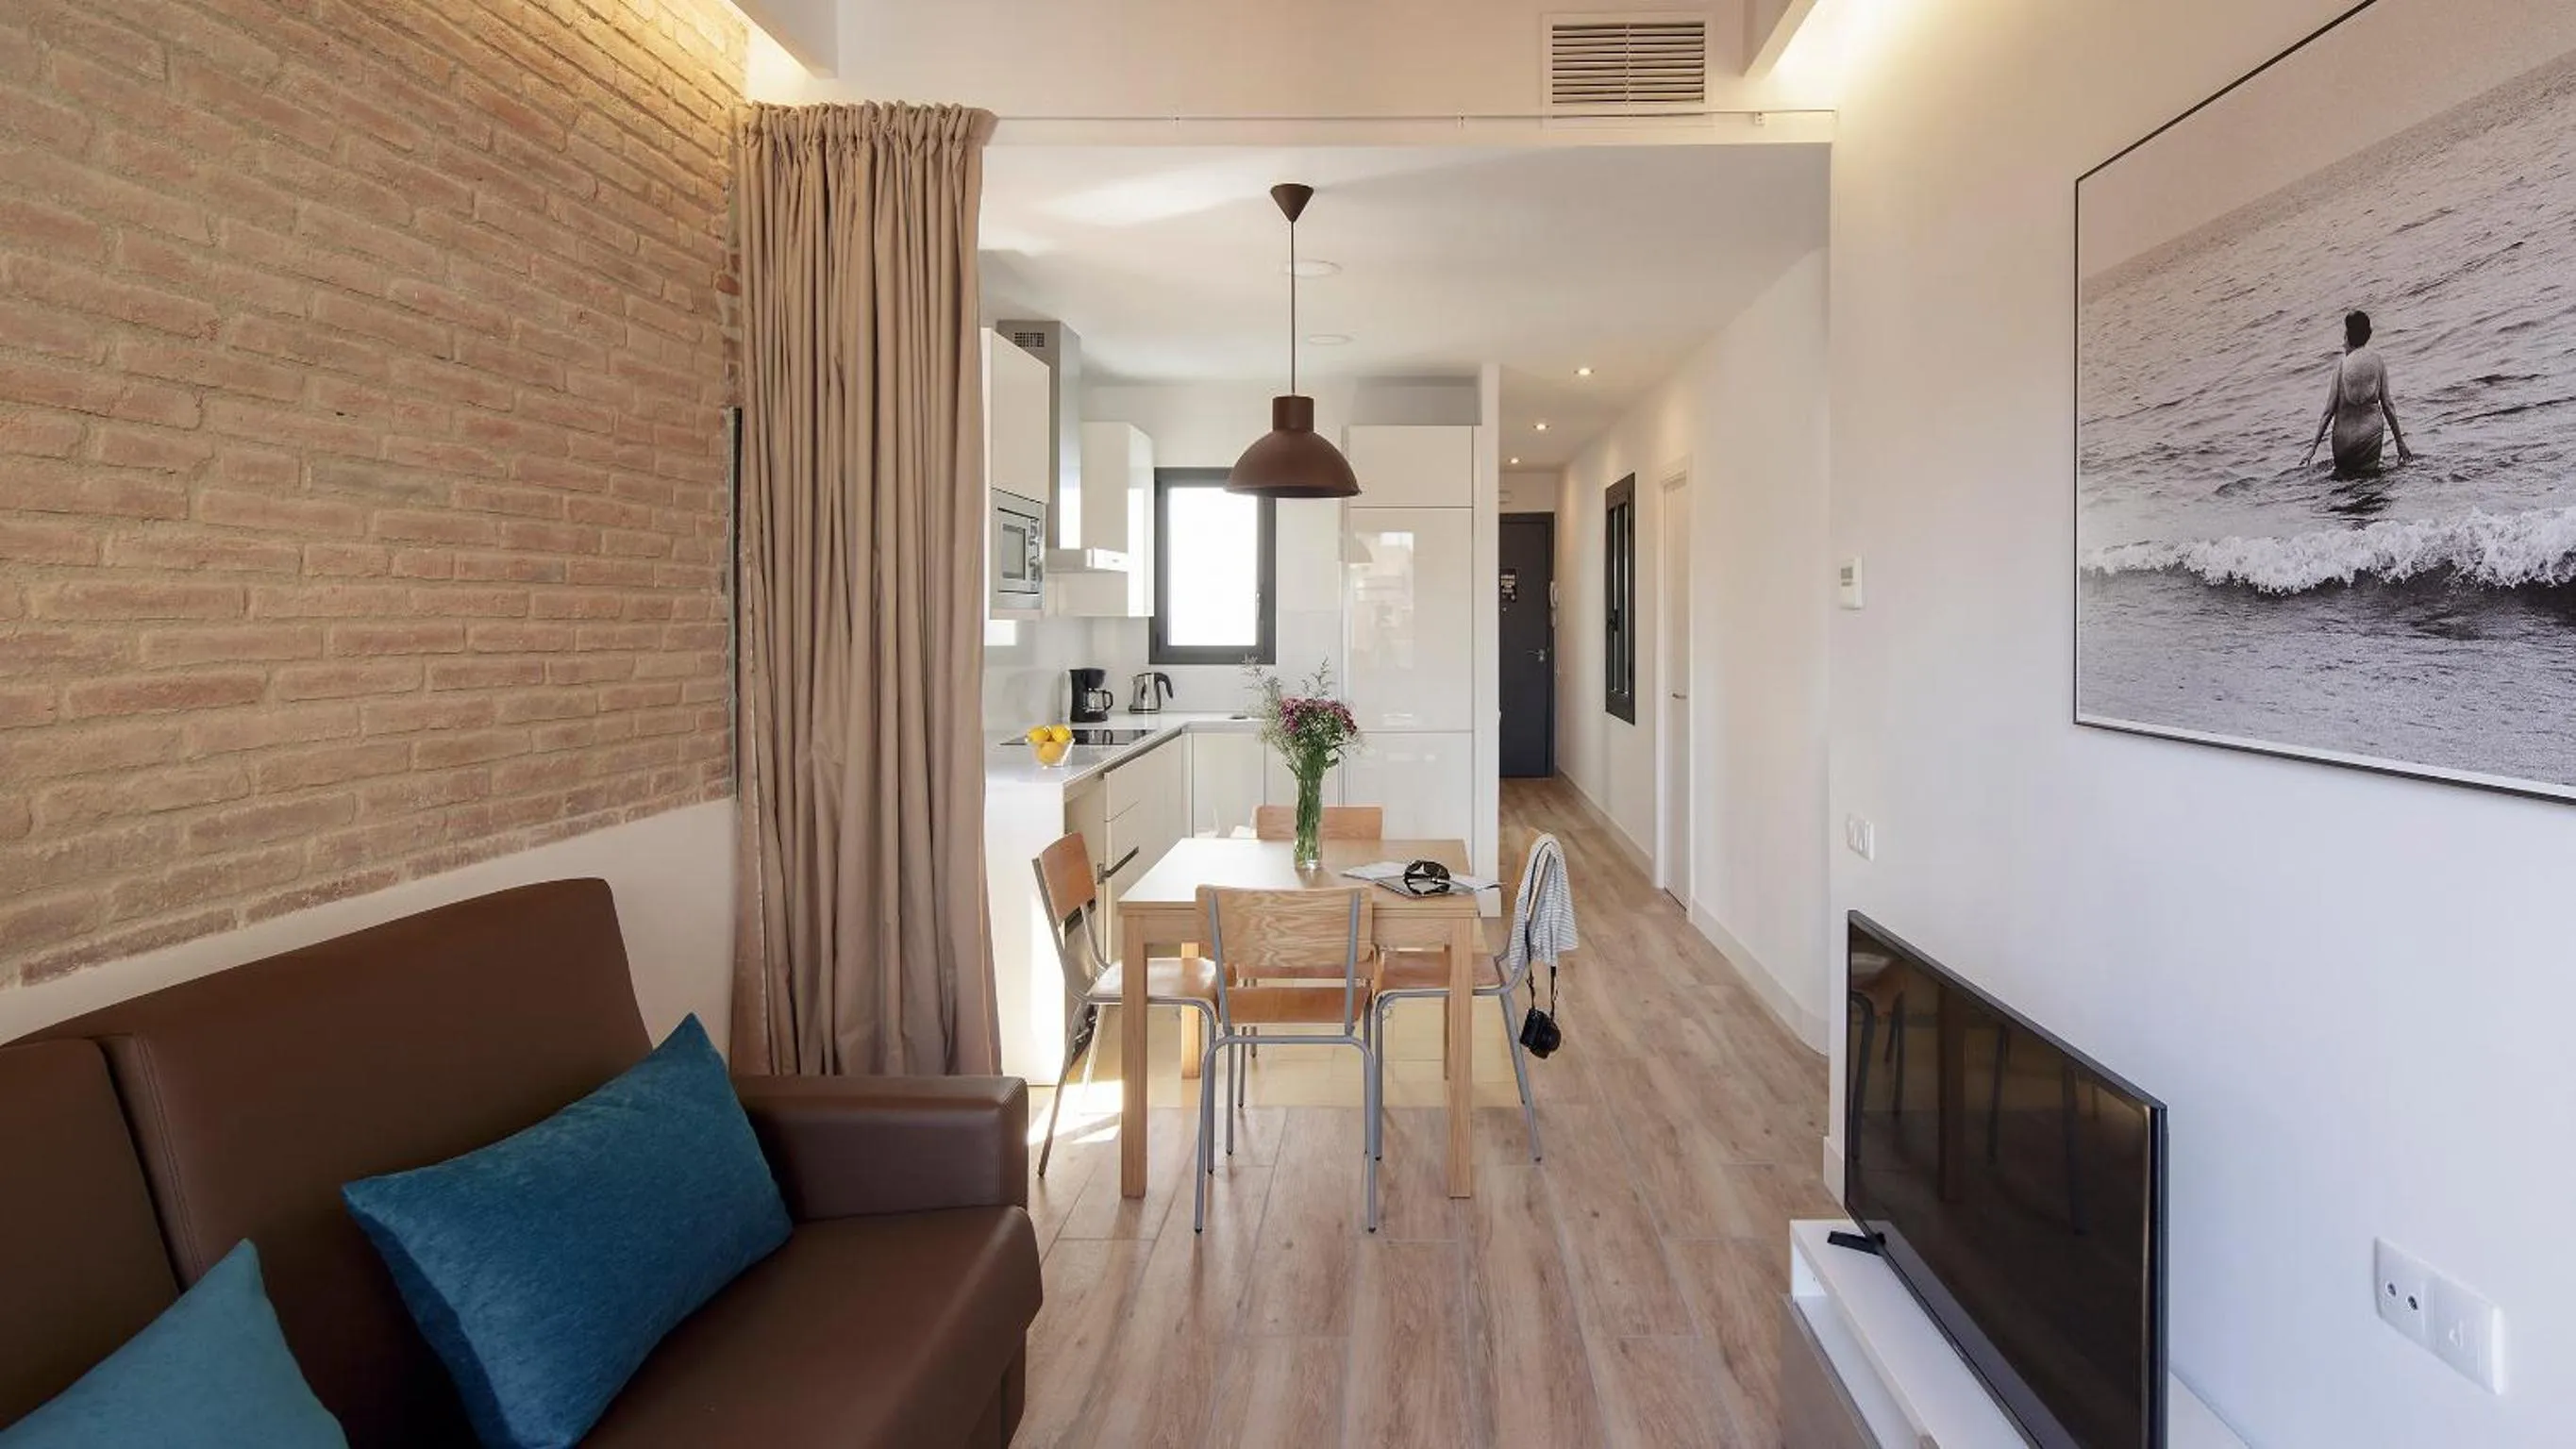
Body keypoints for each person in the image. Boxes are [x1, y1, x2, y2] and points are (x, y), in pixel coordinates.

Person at [2303, 309, 2413, 478]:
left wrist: (2312, 449)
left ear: (2347, 335)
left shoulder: (2340, 368)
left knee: (2347, 487)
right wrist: (2400, 442)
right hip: (2370, 439)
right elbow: (2388, 406)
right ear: (2368, 334)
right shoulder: (2378, 361)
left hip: (2344, 443)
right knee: (2371, 485)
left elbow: (2328, 412)